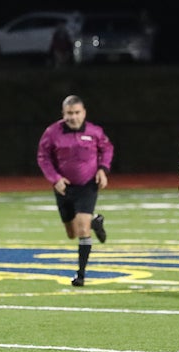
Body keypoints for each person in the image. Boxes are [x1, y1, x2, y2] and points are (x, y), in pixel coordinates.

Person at [37, 95, 113, 287]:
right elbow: (43, 157)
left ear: (84, 113)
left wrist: (103, 169)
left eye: (77, 112)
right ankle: (95, 221)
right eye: (69, 113)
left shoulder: (94, 131)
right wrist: (55, 179)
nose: (73, 117)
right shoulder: (52, 132)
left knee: (82, 230)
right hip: (63, 188)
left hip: (88, 185)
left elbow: (107, 149)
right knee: (71, 232)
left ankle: (81, 275)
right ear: (63, 114)